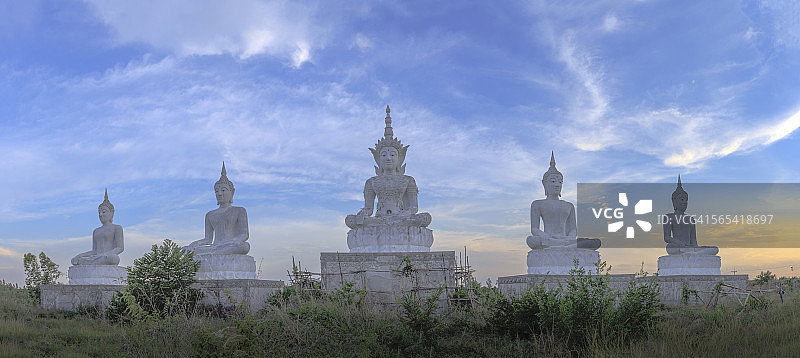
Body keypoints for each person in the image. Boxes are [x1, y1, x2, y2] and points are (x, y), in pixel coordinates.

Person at [526, 152, 600, 250]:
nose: (557, 185)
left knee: (596, 242)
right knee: (531, 240)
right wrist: (543, 235)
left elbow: (573, 229)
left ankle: (566, 246)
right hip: (549, 239)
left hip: (567, 240)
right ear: (544, 184)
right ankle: (567, 247)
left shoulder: (569, 205)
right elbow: (534, 229)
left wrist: (569, 238)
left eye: (560, 182)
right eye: (553, 181)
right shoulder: (537, 204)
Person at [184, 163, 250, 255]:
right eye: (216, 191)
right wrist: (194, 244)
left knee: (244, 246)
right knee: (188, 250)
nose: (219, 194)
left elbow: (244, 235)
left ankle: (213, 253)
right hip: (215, 246)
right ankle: (214, 252)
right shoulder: (210, 215)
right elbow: (208, 239)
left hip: (230, 245)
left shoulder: (239, 211)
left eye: (223, 190)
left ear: (232, 192)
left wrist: (230, 242)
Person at [663, 175, 718, 255]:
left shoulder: (690, 219)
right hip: (677, 246)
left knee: (715, 249)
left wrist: (695, 247)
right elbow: (667, 238)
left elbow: (693, 239)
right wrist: (679, 243)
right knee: (670, 247)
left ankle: (693, 253)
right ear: (674, 202)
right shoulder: (669, 217)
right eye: (681, 199)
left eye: (686, 200)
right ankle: (690, 252)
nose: (684, 202)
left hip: (690, 247)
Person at [71, 189, 124, 265]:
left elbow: (120, 248)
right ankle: (92, 262)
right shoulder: (96, 231)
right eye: (99, 212)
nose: (100, 215)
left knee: (114, 258)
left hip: (107, 257)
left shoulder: (117, 228)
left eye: (104, 212)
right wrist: (80, 255)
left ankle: (95, 262)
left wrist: (105, 254)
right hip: (96, 257)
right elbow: (94, 251)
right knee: (75, 260)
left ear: (111, 213)